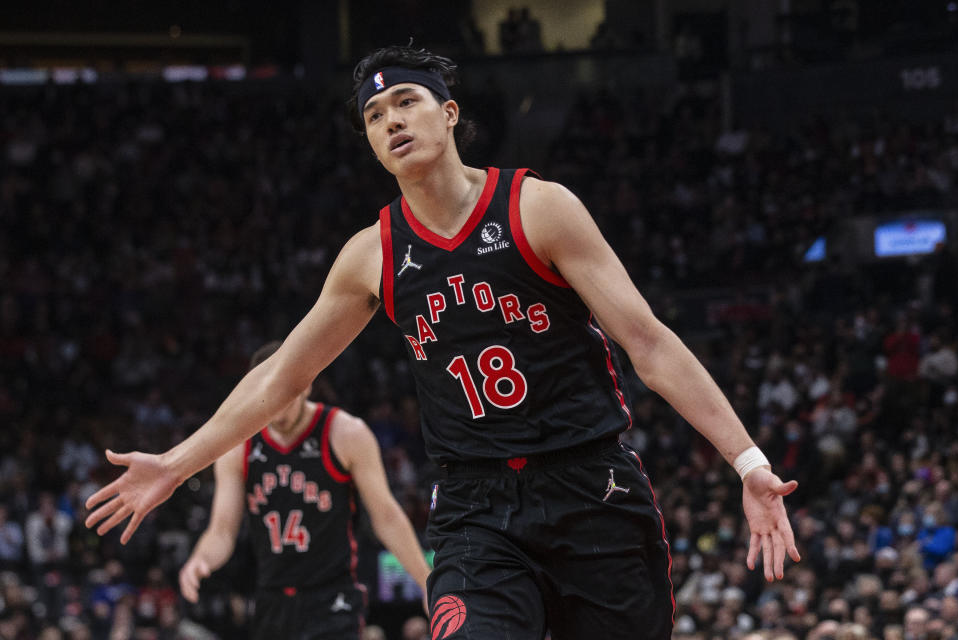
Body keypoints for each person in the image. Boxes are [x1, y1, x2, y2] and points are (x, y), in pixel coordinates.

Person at [86, 45, 800, 639]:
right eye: (373, 115)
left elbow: (649, 344)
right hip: (474, 508)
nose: (390, 120)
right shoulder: (370, 255)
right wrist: (178, 464)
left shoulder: (538, 208)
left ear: (450, 113)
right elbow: (278, 379)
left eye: (406, 102)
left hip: (592, 488)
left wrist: (747, 462)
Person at [177, 341, 430, 639]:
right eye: (266, 397)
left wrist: (427, 580)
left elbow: (386, 516)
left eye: (285, 395)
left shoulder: (345, 433)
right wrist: (201, 559)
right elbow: (221, 531)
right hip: (271, 597)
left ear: (307, 385)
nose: (277, 409)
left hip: (332, 594)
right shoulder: (238, 447)